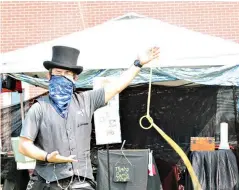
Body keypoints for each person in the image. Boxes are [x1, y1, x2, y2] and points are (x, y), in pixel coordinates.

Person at [19, 45, 160, 189]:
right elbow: (24, 145)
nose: (62, 76)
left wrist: (138, 64)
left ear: (75, 78)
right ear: (49, 76)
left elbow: (116, 86)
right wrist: (47, 157)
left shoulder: (86, 101)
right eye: (58, 72)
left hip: (82, 182)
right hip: (48, 182)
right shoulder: (39, 108)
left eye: (67, 73)